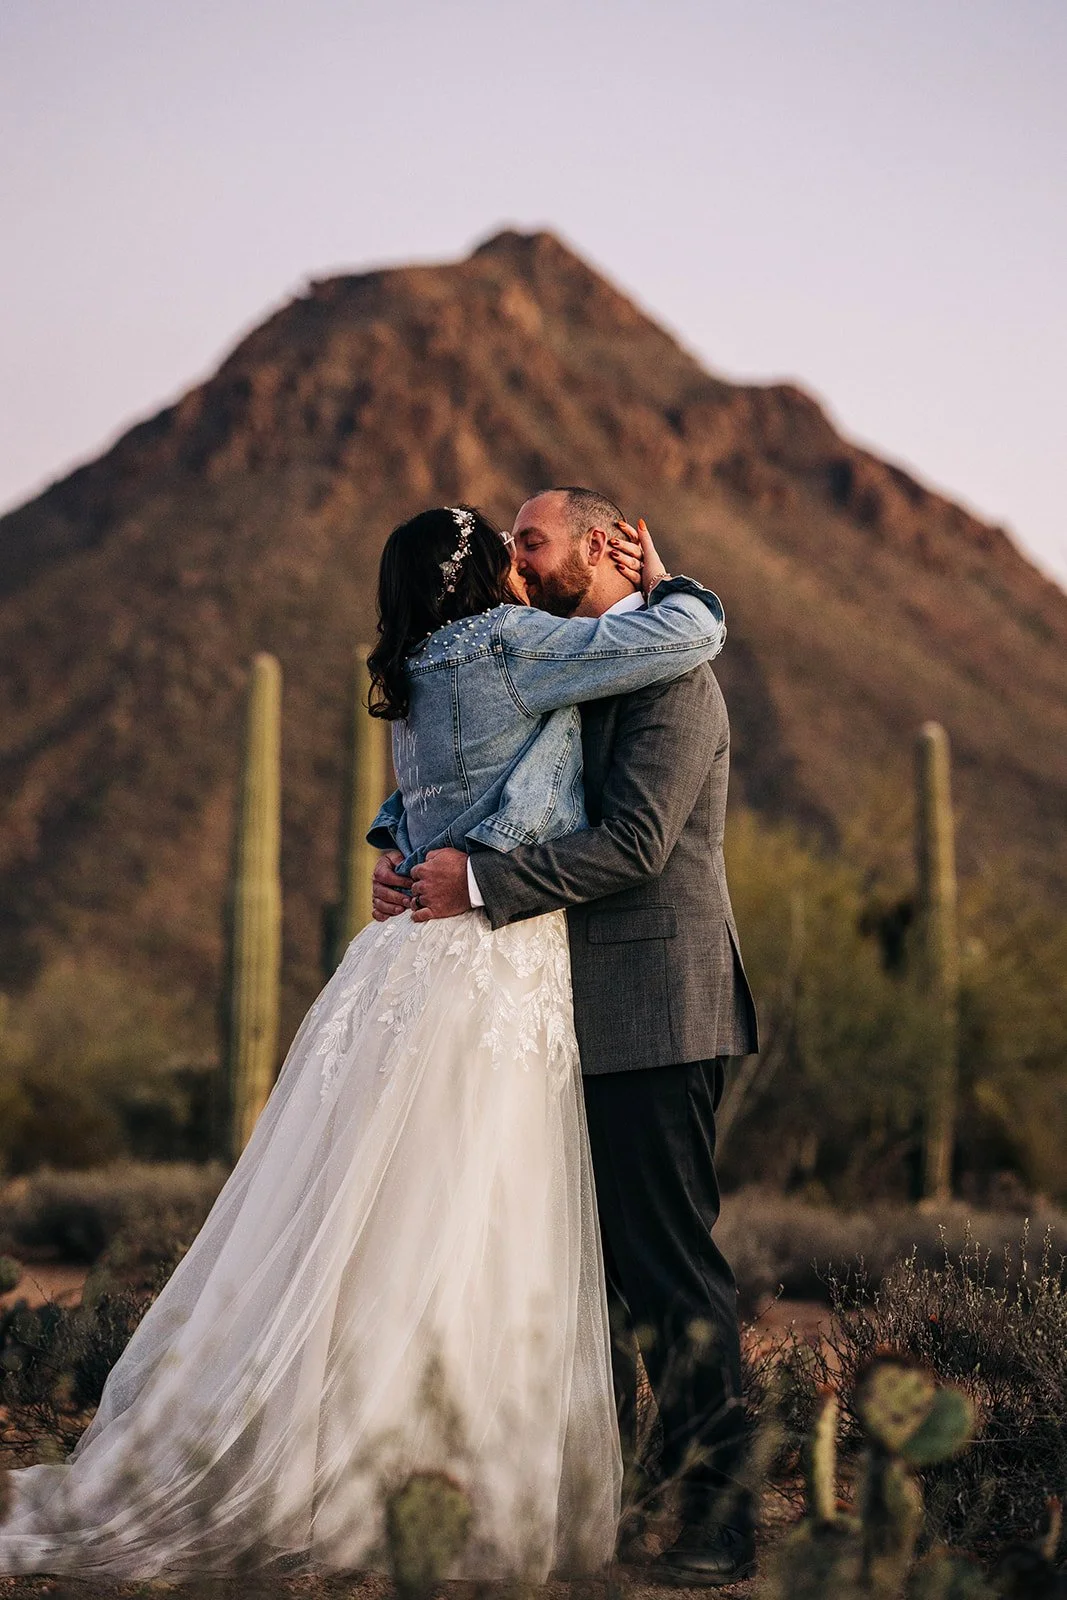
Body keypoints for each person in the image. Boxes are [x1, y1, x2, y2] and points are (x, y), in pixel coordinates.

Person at [0, 505, 727, 1583]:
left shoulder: (455, 670)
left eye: (536, 537)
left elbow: (542, 819)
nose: (523, 558)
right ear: (481, 576)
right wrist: (676, 584)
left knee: (510, 1236)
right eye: (508, 544)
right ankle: (485, 1476)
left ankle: (669, 1510)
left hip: (554, 982)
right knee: (492, 1226)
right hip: (498, 970)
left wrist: (421, 856)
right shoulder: (509, 645)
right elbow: (666, 649)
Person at [374, 489, 759, 1589]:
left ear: (597, 545)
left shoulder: (673, 682)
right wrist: (404, 855)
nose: (513, 560)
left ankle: (722, 1524)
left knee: (669, 1273)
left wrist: (480, 881)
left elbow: (635, 844)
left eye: (529, 542)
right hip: (563, 1016)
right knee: (594, 1279)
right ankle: (623, 1497)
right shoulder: (571, 666)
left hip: (655, 1009)